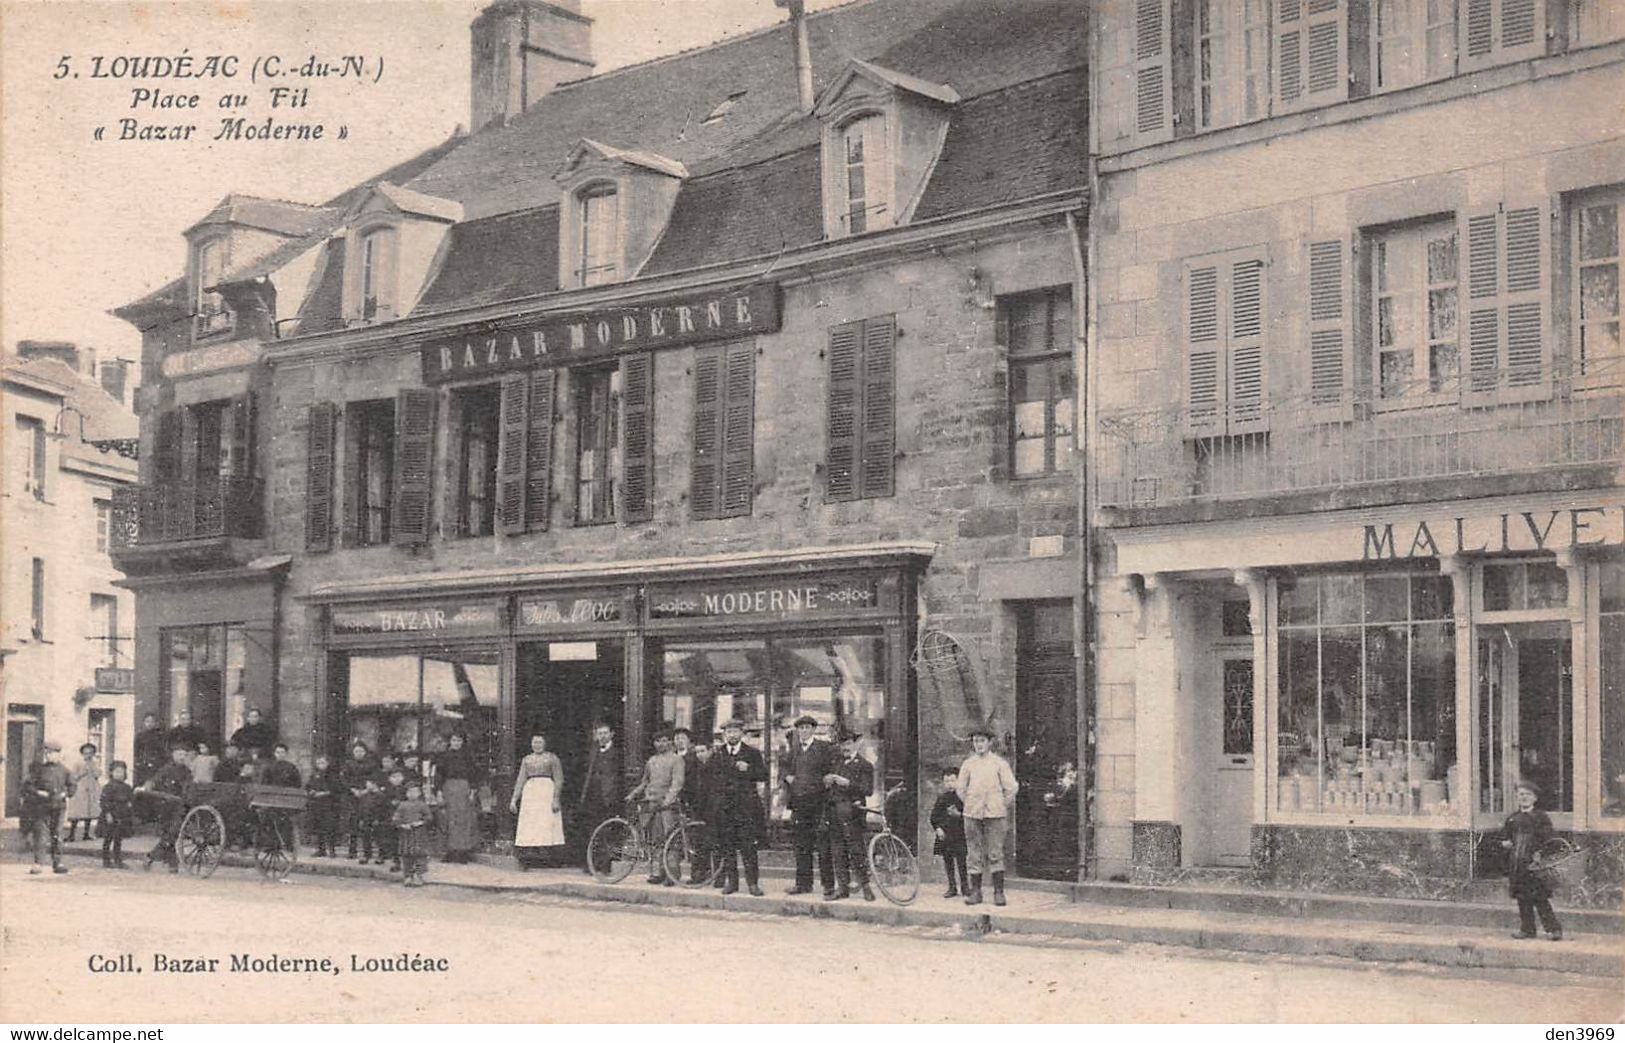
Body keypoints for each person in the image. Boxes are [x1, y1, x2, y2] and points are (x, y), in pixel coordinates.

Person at [957, 724, 1018, 907]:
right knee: (974, 853)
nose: (979, 745)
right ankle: (976, 892)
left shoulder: (999, 763)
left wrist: (999, 804)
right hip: (972, 814)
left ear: (990, 742)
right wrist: (970, 803)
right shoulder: (969, 764)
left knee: (995, 853)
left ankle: (998, 893)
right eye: (976, 741)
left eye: (982, 741)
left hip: (995, 815)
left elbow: (1012, 788)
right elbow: (961, 788)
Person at [1501, 780, 1563, 941]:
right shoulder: (1512, 819)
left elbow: (1550, 839)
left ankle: (1554, 929)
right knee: (1522, 898)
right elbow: (1505, 838)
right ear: (1516, 797)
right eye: (1521, 794)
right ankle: (1527, 929)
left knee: (1540, 898)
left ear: (1535, 798)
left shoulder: (1541, 817)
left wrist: (1541, 853)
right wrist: (1505, 843)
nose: (1524, 797)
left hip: (1535, 863)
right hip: (1517, 863)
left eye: (1528, 794)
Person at [782, 713, 835, 897]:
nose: (804, 731)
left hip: (819, 803)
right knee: (801, 845)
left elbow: (831, 769)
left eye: (807, 727)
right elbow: (785, 767)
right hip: (799, 803)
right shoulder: (794, 749)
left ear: (813, 729)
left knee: (823, 845)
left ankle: (828, 885)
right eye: (801, 728)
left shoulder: (823, 747)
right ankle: (803, 884)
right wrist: (787, 776)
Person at [713, 719, 767, 896]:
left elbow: (764, 775)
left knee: (748, 848)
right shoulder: (718, 753)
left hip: (745, 809)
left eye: (735, 731)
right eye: (729, 732)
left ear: (741, 734)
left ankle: (753, 883)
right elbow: (712, 778)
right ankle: (732, 883)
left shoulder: (752, 753)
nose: (732, 735)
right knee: (727, 847)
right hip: (725, 809)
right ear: (724, 735)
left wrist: (749, 769)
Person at [627, 729, 686, 883]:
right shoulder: (651, 761)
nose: (661, 744)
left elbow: (677, 782)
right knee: (656, 839)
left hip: (667, 805)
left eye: (665, 740)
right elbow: (645, 782)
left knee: (670, 840)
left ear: (670, 742)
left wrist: (669, 799)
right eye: (658, 741)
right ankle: (659, 872)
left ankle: (672, 875)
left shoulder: (676, 760)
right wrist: (634, 794)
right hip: (652, 804)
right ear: (654, 744)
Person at [822, 730, 875, 902]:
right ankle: (842, 888)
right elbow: (827, 786)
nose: (845, 747)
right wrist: (828, 781)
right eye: (842, 744)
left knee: (856, 850)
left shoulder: (865, 765)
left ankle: (866, 886)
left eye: (848, 744)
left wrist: (849, 783)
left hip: (853, 812)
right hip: (835, 811)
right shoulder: (836, 763)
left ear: (855, 744)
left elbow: (868, 790)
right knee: (837, 851)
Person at [510, 733, 565, 869]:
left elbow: (559, 779)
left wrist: (556, 798)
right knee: (531, 824)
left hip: (546, 791)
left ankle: (548, 857)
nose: (537, 745)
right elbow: (521, 779)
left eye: (540, 742)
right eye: (534, 742)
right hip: (531, 793)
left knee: (546, 823)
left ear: (545, 744)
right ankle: (528, 858)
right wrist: (514, 799)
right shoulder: (526, 759)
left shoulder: (552, 758)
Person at [23, 742, 74, 875]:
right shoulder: (39, 770)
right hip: (42, 808)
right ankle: (38, 863)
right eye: (47, 753)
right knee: (40, 836)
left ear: (59, 754)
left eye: (52, 753)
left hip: (59, 808)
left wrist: (66, 793)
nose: (49, 755)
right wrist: (38, 792)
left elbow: (72, 786)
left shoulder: (65, 770)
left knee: (57, 834)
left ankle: (58, 863)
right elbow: (28, 785)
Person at [577, 722, 622, 872]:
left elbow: (619, 777)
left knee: (608, 832)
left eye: (605, 733)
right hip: (593, 796)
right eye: (599, 733)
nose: (602, 736)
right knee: (592, 831)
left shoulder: (617, 752)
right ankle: (591, 864)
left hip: (609, 798)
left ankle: (605, 865)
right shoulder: (593, 751)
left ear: (611, 734)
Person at [143, 745, 195, 872]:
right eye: (179, 754)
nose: (182, 757)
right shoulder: (167, 769)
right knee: (170, 834)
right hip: (166, 806)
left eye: (184, 755)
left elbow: (190, 787)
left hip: (180, 806)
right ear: (173, 755)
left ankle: (152, 856)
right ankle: (171, 863)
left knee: (172, 834)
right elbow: (154, 780)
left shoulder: (187, 771)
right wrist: (148, 785)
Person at [434, 732, 483, 863]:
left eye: (459, 741)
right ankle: (449, 852)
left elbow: (474, 774)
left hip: (464, 788)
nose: (456, 743)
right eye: (454, 740)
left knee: (464, 820)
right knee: (449, 819)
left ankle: (463, 852)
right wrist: (438, 791)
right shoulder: (444, 757)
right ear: (450, 741)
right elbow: (439, 774)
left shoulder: (468, 757)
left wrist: (472, 790)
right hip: (449, 788)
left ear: (462, 742)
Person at [930, 765, 970, 898]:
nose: (950, 784)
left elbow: (970, 815)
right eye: (946, 781)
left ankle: (965, 887)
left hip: (959, 834)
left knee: (961, 861)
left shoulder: (964, 797)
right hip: (945, 835)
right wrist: (938, 829)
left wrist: (958, 814)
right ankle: (952, 886)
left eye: (953, 780)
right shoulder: (942, 798)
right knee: (948, 861)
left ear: (959, 781)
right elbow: (934, 816)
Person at [393, 780, 434, 887]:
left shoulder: (422, 805)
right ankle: (408, 876)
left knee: (420, 856)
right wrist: (402, 825)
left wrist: (420, 822)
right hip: (406, 835)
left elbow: (429, 817)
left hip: (419, 834)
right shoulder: (402, 805)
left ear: (419, 793)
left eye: (415, 791)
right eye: (410, 792)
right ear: (406, 793)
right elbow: (396, 818)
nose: (412, 794)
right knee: (406, 857)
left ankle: (419, 876)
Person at [342, 742, 376, 860]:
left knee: (366, 823)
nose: (359, 753)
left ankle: (368, 852)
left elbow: (374, 779)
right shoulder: (348, 764)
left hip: (366, 795)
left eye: (361, 751)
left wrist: (366, 791)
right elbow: (344, 780)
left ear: (365, 752)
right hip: (352, 796)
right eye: (356, 751)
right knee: (353, 823)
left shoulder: (371, 764)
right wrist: (353, 790)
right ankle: (352, 851)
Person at [305, 753, 344, 857]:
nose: (320, 765)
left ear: (327, 763)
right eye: (318, 763)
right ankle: (321, 849)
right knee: (318, 827)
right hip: (317, 805)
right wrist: (311, 791)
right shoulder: (314, 775)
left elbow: (337, 789)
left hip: (329, 805)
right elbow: (308, 786)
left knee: (329, 827)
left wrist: (325, 793)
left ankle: (331, 849)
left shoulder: (333, 775)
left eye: (322, 763)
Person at [99, 760, 135, 869]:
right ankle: (106, 860)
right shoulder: (108, 787)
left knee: (118, 839)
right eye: (117, 772)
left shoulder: (127, 787)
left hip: (122, 816)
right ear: (111, 773)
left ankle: (118, 860)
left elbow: (131, 799)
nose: (119, 774)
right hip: (110, 816)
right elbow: (104, 801)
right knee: (108, 839)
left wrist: (130, 805)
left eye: (122, 772)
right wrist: (108, 813)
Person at [65, 742, 102, 843]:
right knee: (77, 813)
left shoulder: (94, 763)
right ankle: (71, 835)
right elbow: (73, 777)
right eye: (86, 753)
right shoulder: (78, 763)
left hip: (90, 790)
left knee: (88, 813)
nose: (88, 755)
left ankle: (86, 834)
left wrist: (95, 771)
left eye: (90, 753)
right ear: (82, 753)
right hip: (80, 790)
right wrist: (82, 773)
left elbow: (98, 774)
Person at [377, 767, 408, 873]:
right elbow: (381, 805)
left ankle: (407, 863)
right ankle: (395, 861)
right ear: (389, 779)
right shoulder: (385, 791)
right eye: (394, 777)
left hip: (404, 819)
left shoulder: (406, 790)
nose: (397, 779)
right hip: (390, 818)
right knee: (392, 841)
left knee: (405, 841)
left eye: (399, 776)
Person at [134, 713, 168, 786]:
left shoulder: (159, 736)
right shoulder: (140, 736)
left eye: (151, 722)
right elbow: (136, 752)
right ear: (143, 723)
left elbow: (162, 751)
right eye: (147, 721)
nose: (149, 724)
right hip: (143, 766)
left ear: (155, 723)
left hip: (156, 765)